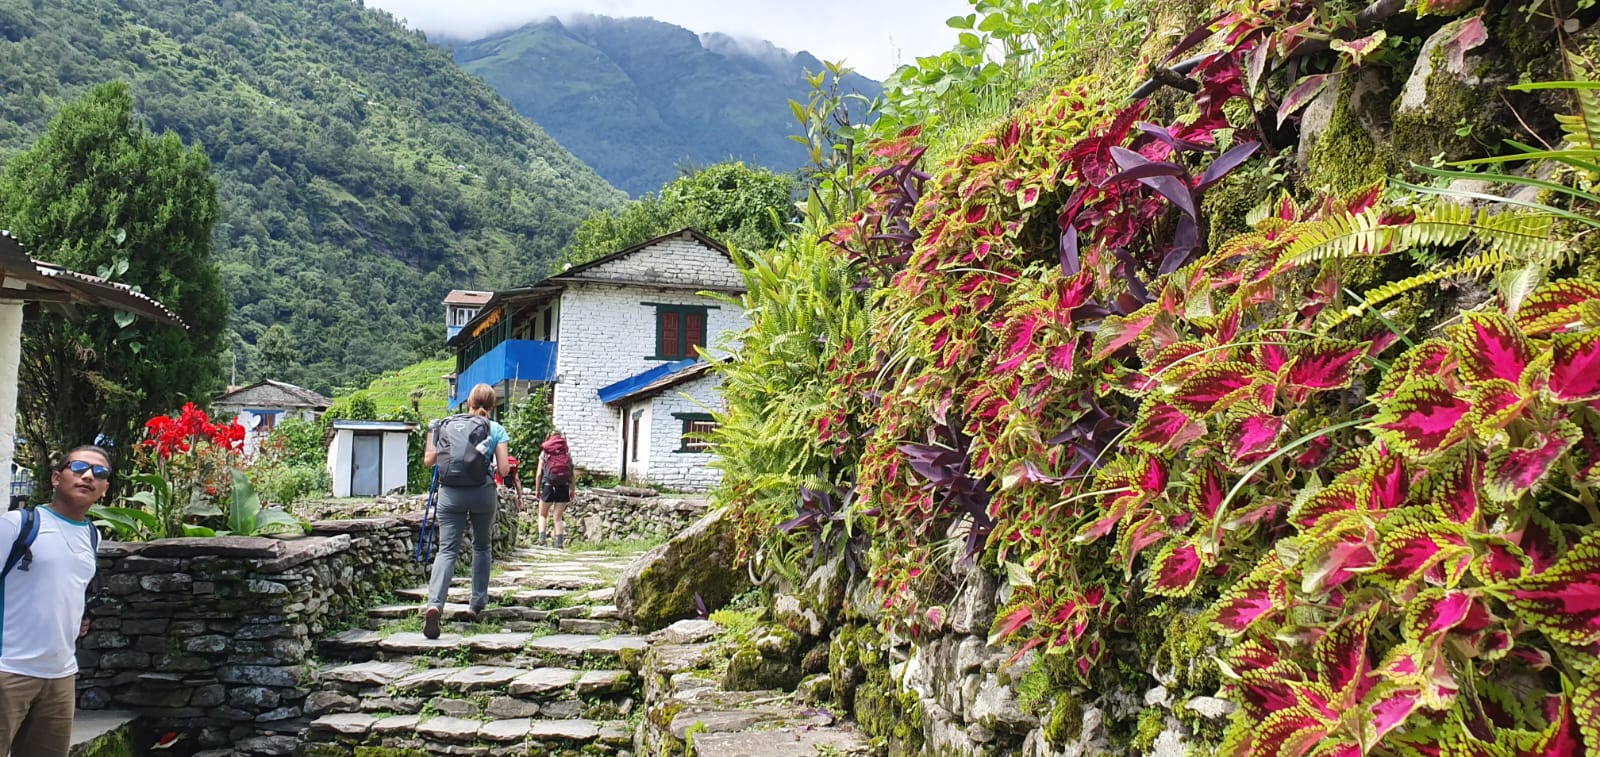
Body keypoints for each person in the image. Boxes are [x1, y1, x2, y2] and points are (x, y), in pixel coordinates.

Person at [0, 445, 110, 756]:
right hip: (8, 669)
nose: (88, 476)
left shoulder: (92, 535)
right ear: (55, 478)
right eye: (78, 468)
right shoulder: (18, 525)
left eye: (99, 473)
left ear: (104, 490)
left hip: (60, 676)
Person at [420, 384, 510, 640]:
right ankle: (476, 605)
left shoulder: (447, 424)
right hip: (482, 492)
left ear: (467, 402)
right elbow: (503, 469)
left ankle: (435, 604)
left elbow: (429, 460)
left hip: (450, 494)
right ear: (492, 406)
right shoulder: (495, 429)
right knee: (481, 547)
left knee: (447, 549)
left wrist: (431, 432)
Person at [533, 432, 573, 549]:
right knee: (558, 517)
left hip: (548, 485)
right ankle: (559, 543)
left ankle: (542, 541)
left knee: (542, 514)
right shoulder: (566, 453)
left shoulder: (545, 453)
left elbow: (539, 474)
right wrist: (572, 489)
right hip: (564, 485)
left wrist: (537, 490)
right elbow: (572, 474)